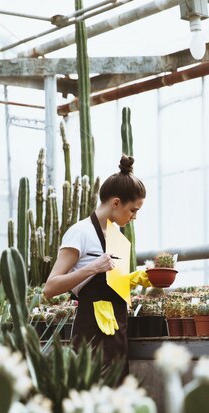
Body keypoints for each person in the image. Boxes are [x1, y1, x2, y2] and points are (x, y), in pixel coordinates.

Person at [43, 155, 146, 377]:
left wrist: (135, 278)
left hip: (117, 335)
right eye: (133, 210)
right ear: (116, 203)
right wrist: (93, 268)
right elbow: (50, 288)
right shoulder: (80, 232)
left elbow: (113, 284)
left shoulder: (118, 235)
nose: (134, 217)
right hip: (90, 336)